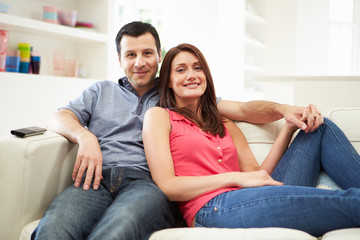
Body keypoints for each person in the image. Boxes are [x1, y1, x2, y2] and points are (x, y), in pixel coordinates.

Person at [32, 21, 321, 240]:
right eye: (130, 54)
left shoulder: (179, 91)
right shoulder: (100, 91)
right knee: (56, 225)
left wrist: (284, 109)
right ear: (119, 60)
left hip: (146, 184)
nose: (139, 62)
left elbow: (245, 109)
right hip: (95, 178)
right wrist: (85, 136)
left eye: (147, 53)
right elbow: (57, 118)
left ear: (159, 56)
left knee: (121, 225)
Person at [142, 43, 360, 237]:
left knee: (320, 127)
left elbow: (258, 173)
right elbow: (168, 186)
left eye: (198, 68)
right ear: (168, 82)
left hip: (250, 197)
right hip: (212, 207)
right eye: (181, 70)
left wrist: (287, 129)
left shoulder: (224, 123)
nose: (192, 75)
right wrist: (235, 179)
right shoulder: (160, 117)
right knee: (345, 202)